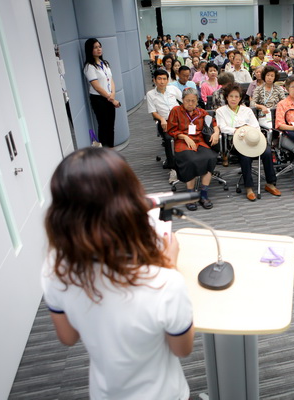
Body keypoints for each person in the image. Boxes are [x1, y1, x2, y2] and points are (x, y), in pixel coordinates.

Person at [42, 147, 193, 399]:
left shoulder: (54, 267)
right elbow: (182, 349)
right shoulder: (166, 282)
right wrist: (170, 265)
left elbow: (68, 337)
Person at [215, 84, 281, 201]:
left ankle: (270, 183)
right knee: (245, 156)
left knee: (267, 152)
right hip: (233, 141)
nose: (234, 99)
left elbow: (256, 126)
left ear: (240, 98)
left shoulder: (247, 110)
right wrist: (237, 130)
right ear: (226, 97)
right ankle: (249, 188)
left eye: (236, 96)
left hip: (251, 139)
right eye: (231, 96)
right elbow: (222, 127)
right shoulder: (221, 111)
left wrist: (246, 130)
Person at [167, 88, 220, 210]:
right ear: (182, 100)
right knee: (191, 160)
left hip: (200, 141)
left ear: (197, 101)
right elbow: (171, 130)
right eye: (187, 101)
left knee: (210, 158)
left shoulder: (201, 112)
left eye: (193, 101)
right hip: (183, 142)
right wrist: (184, 136)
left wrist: (216, 132)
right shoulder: (176, 111)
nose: (190, 104)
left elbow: (214, 123)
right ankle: (190, 195)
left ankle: (203, 194)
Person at [83, 38, 120, 147]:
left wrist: (113, 94)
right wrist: (111, 99)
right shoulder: (89, 66)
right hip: (98, 99)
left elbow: (111, 80)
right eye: (95, 47)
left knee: (111, 126)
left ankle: (111, 150)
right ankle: (104, 152)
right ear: (90, 50)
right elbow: (97, 87)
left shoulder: (105, 63)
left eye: (99, 46)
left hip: (109, 97)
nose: (99, 49)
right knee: (103, 126)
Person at [147, 69, 182, 182]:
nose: (162, 81)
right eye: (159, 79)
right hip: (164, 121)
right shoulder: (150, 94)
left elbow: (185, 101)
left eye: (164, 79)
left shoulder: (173, 89)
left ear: (168, 80)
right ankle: (173, 169)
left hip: (179, 119)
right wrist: (162, 119)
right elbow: (153, 112)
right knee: (168, 139)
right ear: (154, 80)